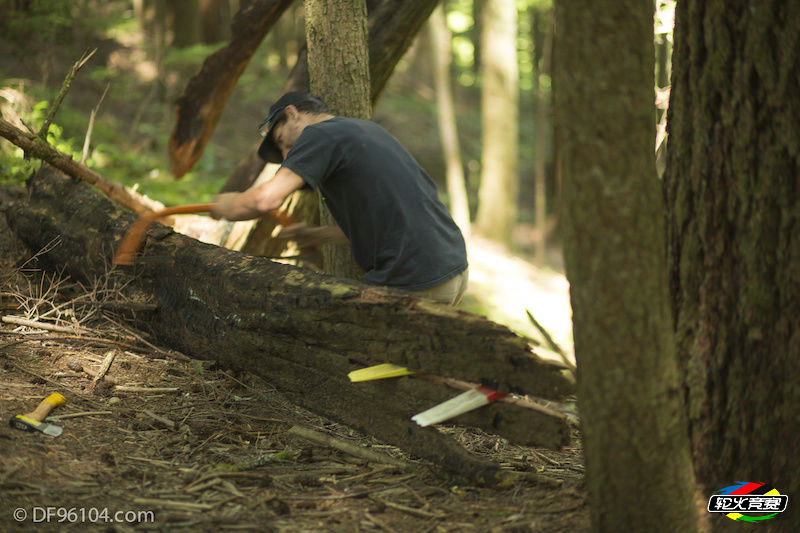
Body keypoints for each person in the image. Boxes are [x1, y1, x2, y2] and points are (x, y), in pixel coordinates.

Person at [211, 91, 468, 306]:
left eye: (282, 141)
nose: (287, 154)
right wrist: (317, 235)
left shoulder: (318, 135)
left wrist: (226, 205)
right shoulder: (363, 130)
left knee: (356, 359)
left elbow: (264, 201)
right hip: (451, 268)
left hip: (413, 277)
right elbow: (386, 222)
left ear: (292, 114)